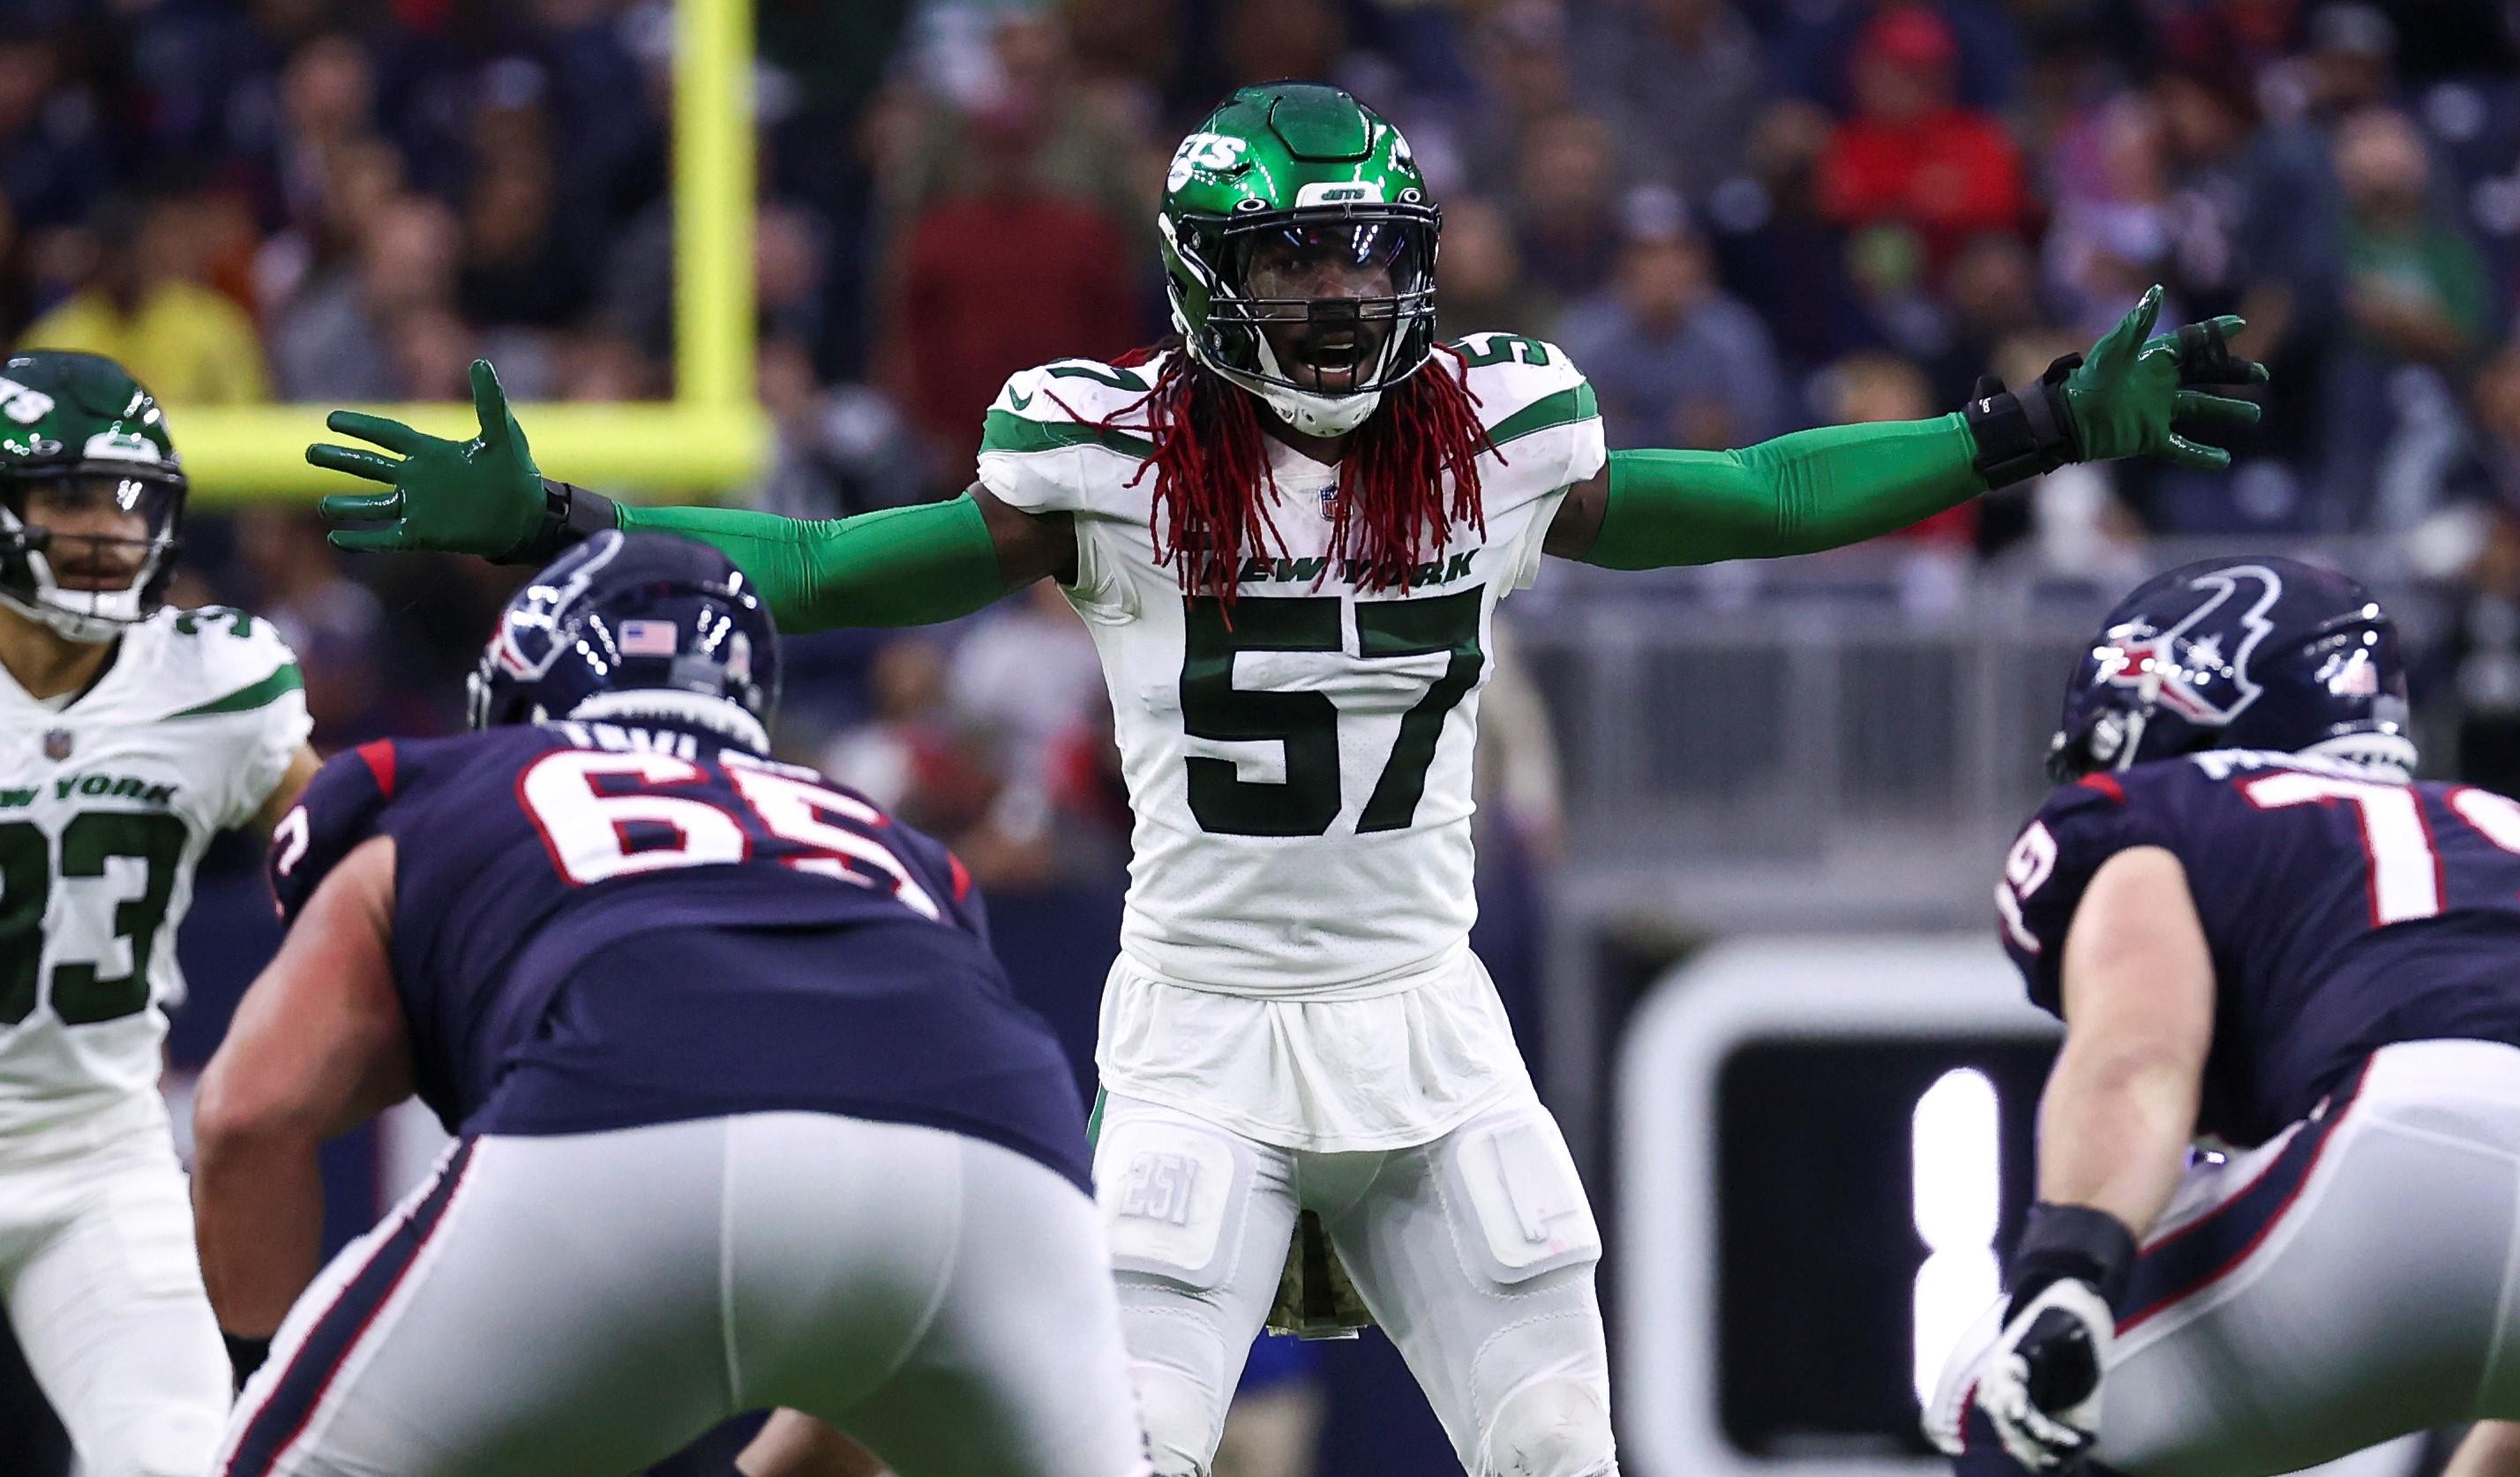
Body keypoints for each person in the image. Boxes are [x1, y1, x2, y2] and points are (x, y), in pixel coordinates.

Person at [303, 81, 2267, 1477]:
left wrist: (2025, 430)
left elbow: (1753, 490)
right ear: (1197, 278)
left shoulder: (1495, 433)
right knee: (1131, 1453)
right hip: (1201, 1036)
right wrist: (566, 514)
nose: (1336, 303)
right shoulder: (1106, 463)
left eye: (1363, 263)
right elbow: (822, 568)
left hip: (1430, 1017)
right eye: (1290, 266)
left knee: (1562, 1447)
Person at [191, 529, 1148, 1477]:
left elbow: (249, 1113)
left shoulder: (445, 786)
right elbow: (875, 1351)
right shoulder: (889, 842)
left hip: (627, 1115)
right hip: (1005, 1163)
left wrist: (256, 1381)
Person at [1931, 556, 2520, 1477]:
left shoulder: (2164, 810)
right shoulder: (2516, 837)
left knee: (1997, 1395)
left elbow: (2138, 1054)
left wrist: (2069, 1277)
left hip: (2406, 1152)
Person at [0, 349, 317, 1477]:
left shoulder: (209, 682)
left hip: (94, 1156)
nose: (106, 530)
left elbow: (349, 865)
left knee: (176, 1454)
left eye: (131, 501)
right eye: (70, 495)